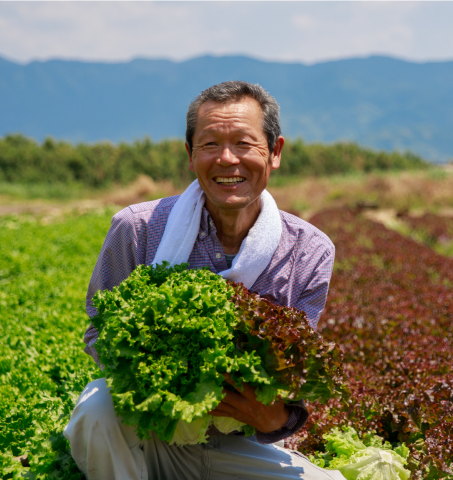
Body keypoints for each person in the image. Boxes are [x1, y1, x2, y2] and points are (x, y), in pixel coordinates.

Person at [64, 81, 344, 480]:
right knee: (95, 409)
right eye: (210, 144)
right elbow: (100, 333)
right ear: (190, 156)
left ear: (275, 152)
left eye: (244, 144)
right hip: (149, 430)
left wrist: (270, 415)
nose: (227, 160)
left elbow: (292, 375)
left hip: (237, 441)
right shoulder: (137, 229)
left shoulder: (310, 251)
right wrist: (175, 381)